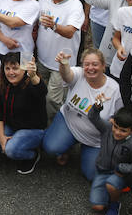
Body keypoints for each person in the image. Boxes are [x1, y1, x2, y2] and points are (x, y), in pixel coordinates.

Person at [42, 49, 122, 181]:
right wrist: (63, 63)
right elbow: (67, 75)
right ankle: (67, 145)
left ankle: (85, 149)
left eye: (95, 64)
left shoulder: (113, 89)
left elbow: (118, 118)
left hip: (94, 140)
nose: (90, 68)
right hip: (69, 123)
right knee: (51, 147)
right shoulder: (79, 74)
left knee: (92, 175)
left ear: (103, 66)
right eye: (87, 64)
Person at [0, 53, 48, 175]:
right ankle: (13, 145)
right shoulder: (3, 85)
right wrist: (1, 136)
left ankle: (33, 155)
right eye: (7, 68)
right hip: (11, 126)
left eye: (15, 68)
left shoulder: (31, 84)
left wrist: (33, 76)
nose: (11, 72)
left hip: (32, 129)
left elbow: (42, 91)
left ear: (24, 69)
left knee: (10, 150)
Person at [36, 0, 85, 117]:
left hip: (62, 63)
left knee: (53, 100)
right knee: (40, 93)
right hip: (42, 58)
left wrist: (54, 26)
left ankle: (51, 129)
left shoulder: (75, 6)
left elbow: (70, 32)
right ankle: (39, 122)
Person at [87, 103, 132, 215]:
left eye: (123, 131)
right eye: (116, 127)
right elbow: (93, 117)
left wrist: (122, 168)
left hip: (118, 174)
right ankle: (107, 192)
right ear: (113, 123)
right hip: (101, 170)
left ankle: (114, 203)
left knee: (111, 185)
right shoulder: (107, 129)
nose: (117, 132)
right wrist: (97, 107)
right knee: (97, 207)